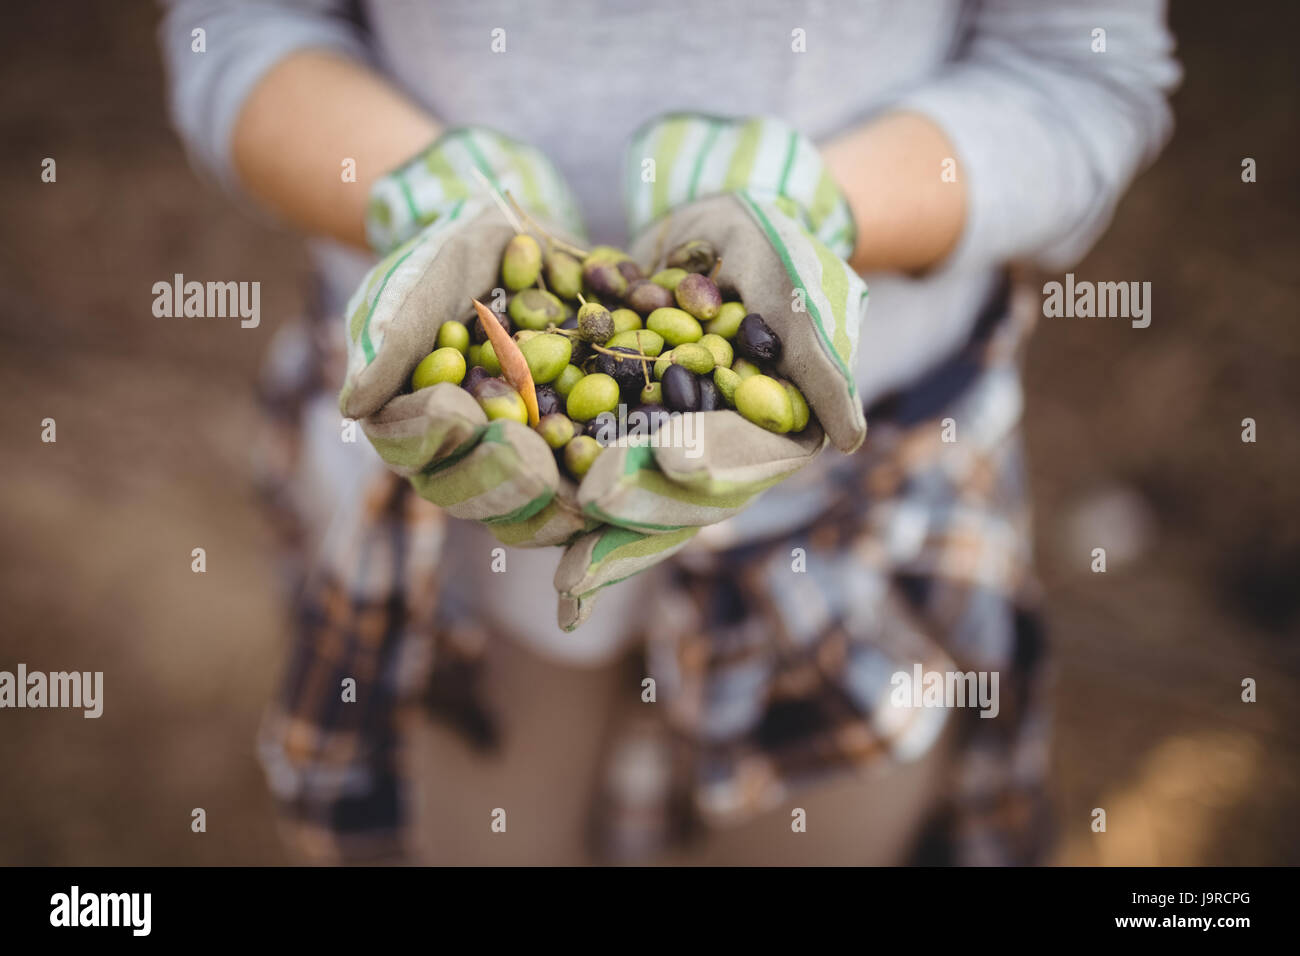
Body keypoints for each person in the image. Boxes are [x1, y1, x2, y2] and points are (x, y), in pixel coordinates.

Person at [159, 0, 1179, 864]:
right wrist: (405, 182)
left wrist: (831, 201)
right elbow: (233, 25)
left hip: (852, 500)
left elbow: (1081, 69)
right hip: (458, 492)